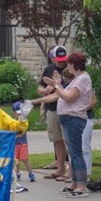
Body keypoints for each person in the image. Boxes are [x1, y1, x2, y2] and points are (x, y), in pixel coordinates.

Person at [43, 52, 93, 197]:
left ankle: (82, 185)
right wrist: (57, 84)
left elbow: (69, 97)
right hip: (68, 118)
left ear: (73, 64)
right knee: (72, 152)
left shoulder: (82, 79)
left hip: (74, 119)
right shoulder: (77, 79)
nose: (67, 66)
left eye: (69, 63)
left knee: (76, 152)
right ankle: (74, 183)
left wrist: (55, 86)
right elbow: (64, 93)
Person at [38, 46, 69, 181]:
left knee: (67, 139)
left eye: (64, 59)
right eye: (60, 59)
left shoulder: (69, 70)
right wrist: (44, 92)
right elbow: (40, 87)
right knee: (57, 139)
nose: (62, 62)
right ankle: (60, 168)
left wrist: (56, 85)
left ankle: (70, 170)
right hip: (52, 108)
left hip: (66, 109)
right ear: (53, 58)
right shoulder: (49, 69)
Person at [11, 101, 36, 185]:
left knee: (25, 159)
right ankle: (17, 174)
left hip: (22, 143)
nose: (18, 114)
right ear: (14, 112)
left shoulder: (24, 121)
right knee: (16, 160)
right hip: (15, 144)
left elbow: (22, 128)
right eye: (17, 113)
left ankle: (31, 174)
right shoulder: (12, 121)